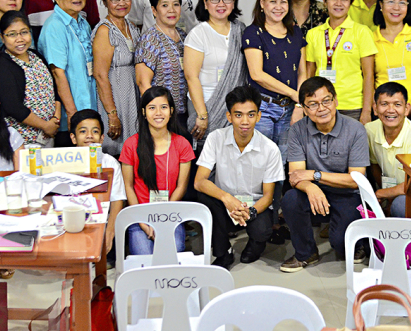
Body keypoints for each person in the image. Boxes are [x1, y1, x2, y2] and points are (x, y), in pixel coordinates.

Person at [280, 77, 369, 272]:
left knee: (340, 245)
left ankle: (355, 245)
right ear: (304, 108)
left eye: (326, 101)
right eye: (312, 104)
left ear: (335, 100)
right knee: (290, 199)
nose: (321, 108)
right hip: (314, 191)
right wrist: (311, 186)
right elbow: (295, 176)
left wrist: (315, 175)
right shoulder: (297, 130)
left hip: (347, 193)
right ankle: (306, 254)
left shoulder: (355, 130)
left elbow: (356, 180)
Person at [195, 86, 284, 268]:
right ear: (229, 116)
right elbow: (199, 181)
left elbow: (268, 196)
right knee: (204, 198)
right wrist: (227, 199)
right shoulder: (215, 138)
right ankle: (223, 252)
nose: (245, 121)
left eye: (251, 115)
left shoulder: (270, 149)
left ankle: (255, 245)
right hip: (225, 203)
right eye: (238, 115)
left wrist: (249, 212)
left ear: (259, 116)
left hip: (255, 205)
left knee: (261, 231)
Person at [119, 87, 195, 255]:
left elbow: (181, 187)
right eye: (152, 108)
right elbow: (128, 186)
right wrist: (142, 222)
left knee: (172, 254)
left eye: (164, 107)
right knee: (144, 258)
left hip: (170, 213)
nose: (158, 113)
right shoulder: (131, 145)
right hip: (140, 215)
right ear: (144, 112)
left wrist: (163, 219)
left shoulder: (182, 144)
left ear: (171, 111)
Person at [35, 0, 98, 145]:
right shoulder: (55, 26)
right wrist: (72, 114)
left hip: (88, 109)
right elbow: (58, 73)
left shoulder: (82, 22)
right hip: (69, 117)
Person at [243, 0, 307, 149]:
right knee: (260, 161)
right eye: (273, 1)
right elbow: (257, 74)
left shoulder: (296, 33)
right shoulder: (253, 33)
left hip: (291, 109)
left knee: (284, 162)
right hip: (262, 108)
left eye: (283, 2)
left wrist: (299, 104)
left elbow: (303, 72)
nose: (278, 7)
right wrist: (294, 94)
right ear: (262, 3)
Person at [184, 0, 248, 146]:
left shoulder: (241, 30)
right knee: (209, 157)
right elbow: (191, 77)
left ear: (233, 3)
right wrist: (202, 114)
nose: (221, 4)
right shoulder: (198, 34)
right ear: (205, 3)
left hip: (237, 106)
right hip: (206, 105)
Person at [305, 0, 377, 124]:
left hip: (353, 107)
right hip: (321, 106)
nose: (339, 3)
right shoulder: (313, 34)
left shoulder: (362, 32)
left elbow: (369, 75)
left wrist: (366, 111)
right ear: (325, 1)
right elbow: (309, 74)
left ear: (350, 3)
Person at [0, 11, 61, 148]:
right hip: (23, 141)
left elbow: (54, 90)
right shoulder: (3, 65)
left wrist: (55, 120)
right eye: (12, 34)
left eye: (24, 32)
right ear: (2, 37)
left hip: (49, 135)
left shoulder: (36, 56)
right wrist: (45, 125)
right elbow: (12, 106)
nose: (20, 39)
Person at [92, 0, 141, 157]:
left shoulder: (132, 26)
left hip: (132, 96)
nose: (122, 2)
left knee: (134, 150)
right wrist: (112, 113)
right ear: (105, 1)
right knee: (117, 151)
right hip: (115, 99)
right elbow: (100, 75)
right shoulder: (105, 30)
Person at [365, 83, 411, 215]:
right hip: (393, 190)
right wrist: (388, 194)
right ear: (375, 109)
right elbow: (374, 165)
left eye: (397, 105)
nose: (390, 110)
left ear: (406, 109)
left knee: (400, 205)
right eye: (384, 104)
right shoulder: (369, 130)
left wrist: (382, 193)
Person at [68, 109, 127, 256]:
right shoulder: (62, 160)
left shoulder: (110, 163)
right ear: (73, 138)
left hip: (102, 223)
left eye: (95, 131)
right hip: (72, 221)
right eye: (83, 131)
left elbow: (117, 199)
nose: (89, 136)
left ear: (101, 138)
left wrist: (110, 231)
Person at [135, 0, 189, 130]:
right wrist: (157, 114)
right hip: (161, 117)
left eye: (176, 4)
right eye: (165, 5)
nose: (171, 10)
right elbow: (143, 83)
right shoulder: (150, 39)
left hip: (183, 113)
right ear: (154, 10)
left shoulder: (184, 36)